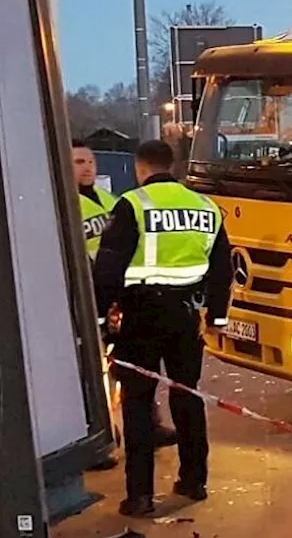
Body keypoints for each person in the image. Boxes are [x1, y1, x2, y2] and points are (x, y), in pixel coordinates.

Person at [93, 140, 232, 517]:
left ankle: (139, 496)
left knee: (138, 404)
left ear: (140, 168)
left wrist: (103, 319)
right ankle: (194, 481)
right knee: (187, 396)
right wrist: (217, 318)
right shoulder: (206, 207)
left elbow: (108, 268)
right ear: (173, 166)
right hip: (187, 316)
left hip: (141, 316)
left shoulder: (133, 204)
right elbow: (222, 269)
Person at [73, 140, 180, 472]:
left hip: (116, 295)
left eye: (89, 161)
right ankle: (98, 437)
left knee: (129, 368)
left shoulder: (112, 202)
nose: (87, 167)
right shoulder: (64, 204)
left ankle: (150, 424)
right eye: (78, 162)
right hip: (83, 296)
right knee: (92, 370)